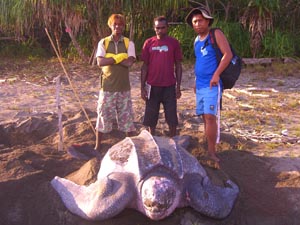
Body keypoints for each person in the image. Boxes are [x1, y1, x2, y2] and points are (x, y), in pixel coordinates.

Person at [185, 6, 233, 162]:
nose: (197, 24)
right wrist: (195, 81)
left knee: (210, 117)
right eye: (194, 22)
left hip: (213, 84)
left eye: (200, 20)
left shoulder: (215, 34)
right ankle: (208, 145)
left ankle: (212, 152)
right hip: (200, 85)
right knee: (204, 118)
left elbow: (228, 55)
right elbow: (200, 61)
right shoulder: (196, 41)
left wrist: (216, 74)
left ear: (207, 21)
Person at [93, 13, 136, 151]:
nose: (117, 26)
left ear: (123, 26)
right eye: (114, 24)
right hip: (107, 88)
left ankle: (130, 147)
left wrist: (110, 58)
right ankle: (98, 146)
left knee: (127, 120)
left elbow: (129, 63)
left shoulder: (129, 43)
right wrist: (118, 58)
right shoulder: (103, 42)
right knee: (102, 118)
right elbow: (100, 62)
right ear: (110, 26)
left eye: (120, 24)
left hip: (124, 88)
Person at [140, 16, 183, 137]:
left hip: (169, 86)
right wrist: (142, 87)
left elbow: (178, 65)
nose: (160, 30)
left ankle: (173, 138)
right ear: (154, 28)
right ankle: (151, 138)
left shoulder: (173, 43)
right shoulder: (148, 43)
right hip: (152, 86)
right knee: (151, 116)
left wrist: (178, 86)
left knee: (171, 116)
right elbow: (144, 66)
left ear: (167, 27)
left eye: (163, 28)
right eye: (157, 28)